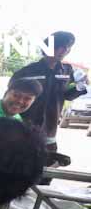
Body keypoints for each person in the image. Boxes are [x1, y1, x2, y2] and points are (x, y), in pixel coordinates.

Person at [10, 31, 88, 171]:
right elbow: (12, 95)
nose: (65, 51)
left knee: (46, 175)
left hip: (51, 130)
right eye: (61, 46)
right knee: (22, 171)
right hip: (27, 129)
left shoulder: (67, 70)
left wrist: (80, 86)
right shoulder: (28, 71)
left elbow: (66, 96)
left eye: (68, 47)